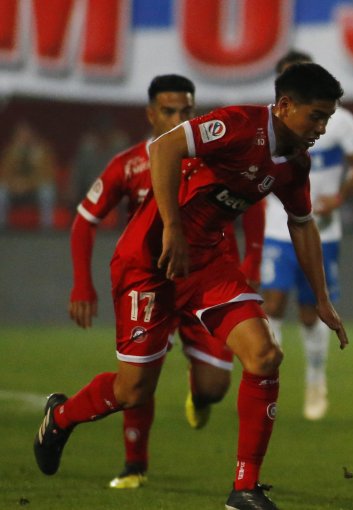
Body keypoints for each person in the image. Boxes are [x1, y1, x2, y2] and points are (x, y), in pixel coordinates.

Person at [35, 63, 349, 510]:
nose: (321, 127)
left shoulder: (295, 163)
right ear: (284, 106)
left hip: (208, 264)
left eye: (327, 118)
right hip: (149, 260)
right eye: (316, 116)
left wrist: (322, 298)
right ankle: (62, 416)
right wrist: (172, 230)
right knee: (133, 391)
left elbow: (302, 225)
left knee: (265, 355)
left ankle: (244, 488)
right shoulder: (239, 125)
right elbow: (165, 148)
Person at [67, 74, 264, 489]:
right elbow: (85, 220)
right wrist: (83, 284)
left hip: (206, 276)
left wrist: (255, 257)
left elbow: (255, 199)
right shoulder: (130, 163)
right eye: (170, 111)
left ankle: (200, 390)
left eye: (187, 110)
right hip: (151, 278)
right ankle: (134, 463)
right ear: (151, 113)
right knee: (138, 379)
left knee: (215, 387)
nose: (179, 117)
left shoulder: (213, 153)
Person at [261, 50, 353, 421]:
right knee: (271, 304)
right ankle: (267, 379)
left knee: (310, 312)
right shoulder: (268, 124)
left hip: (322, 229)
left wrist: (338, 198)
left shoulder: (339, 122)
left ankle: (316, 380)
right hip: (275, 226)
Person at [0, 121, 58, 229]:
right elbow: (4, 175)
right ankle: (2, 225)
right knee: (1, 191)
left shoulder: (43, 151)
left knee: (47, 191)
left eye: (26, 134)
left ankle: (46, 227)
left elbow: (48, 176)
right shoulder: (10, 152)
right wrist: (14, 184)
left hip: (35, 190)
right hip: (14, 189)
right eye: (20, 134)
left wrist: (28, 183)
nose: (24, 137)